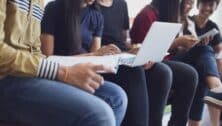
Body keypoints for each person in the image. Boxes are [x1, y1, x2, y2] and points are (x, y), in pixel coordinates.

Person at [0, 0, 128, 125]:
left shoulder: (39, 2)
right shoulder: (55, 7)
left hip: (29, 72)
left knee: (116, 97)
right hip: (6, 76)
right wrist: (62, 72)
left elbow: (36, 52)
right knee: (100, 115)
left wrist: (64, 68)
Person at [41, 0, 153, 126]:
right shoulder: (54, 8)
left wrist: (119, 54)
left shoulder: (96, 15)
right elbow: (47, 57)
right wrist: (94, 54)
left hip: (87, 69)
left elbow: (95, 58)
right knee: (119, 92)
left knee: (135, 69)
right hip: (60, 71)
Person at [130, 0, 199, 126]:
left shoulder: (167, 16)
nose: (186, 7)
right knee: (164, 72)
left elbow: (165, 50)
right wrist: (177, 42)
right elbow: (143, 52)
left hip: (162, 60)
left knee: (190, 74)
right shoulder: (147, 15)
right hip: (144, 64)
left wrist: (182, 46)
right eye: (183, 3)